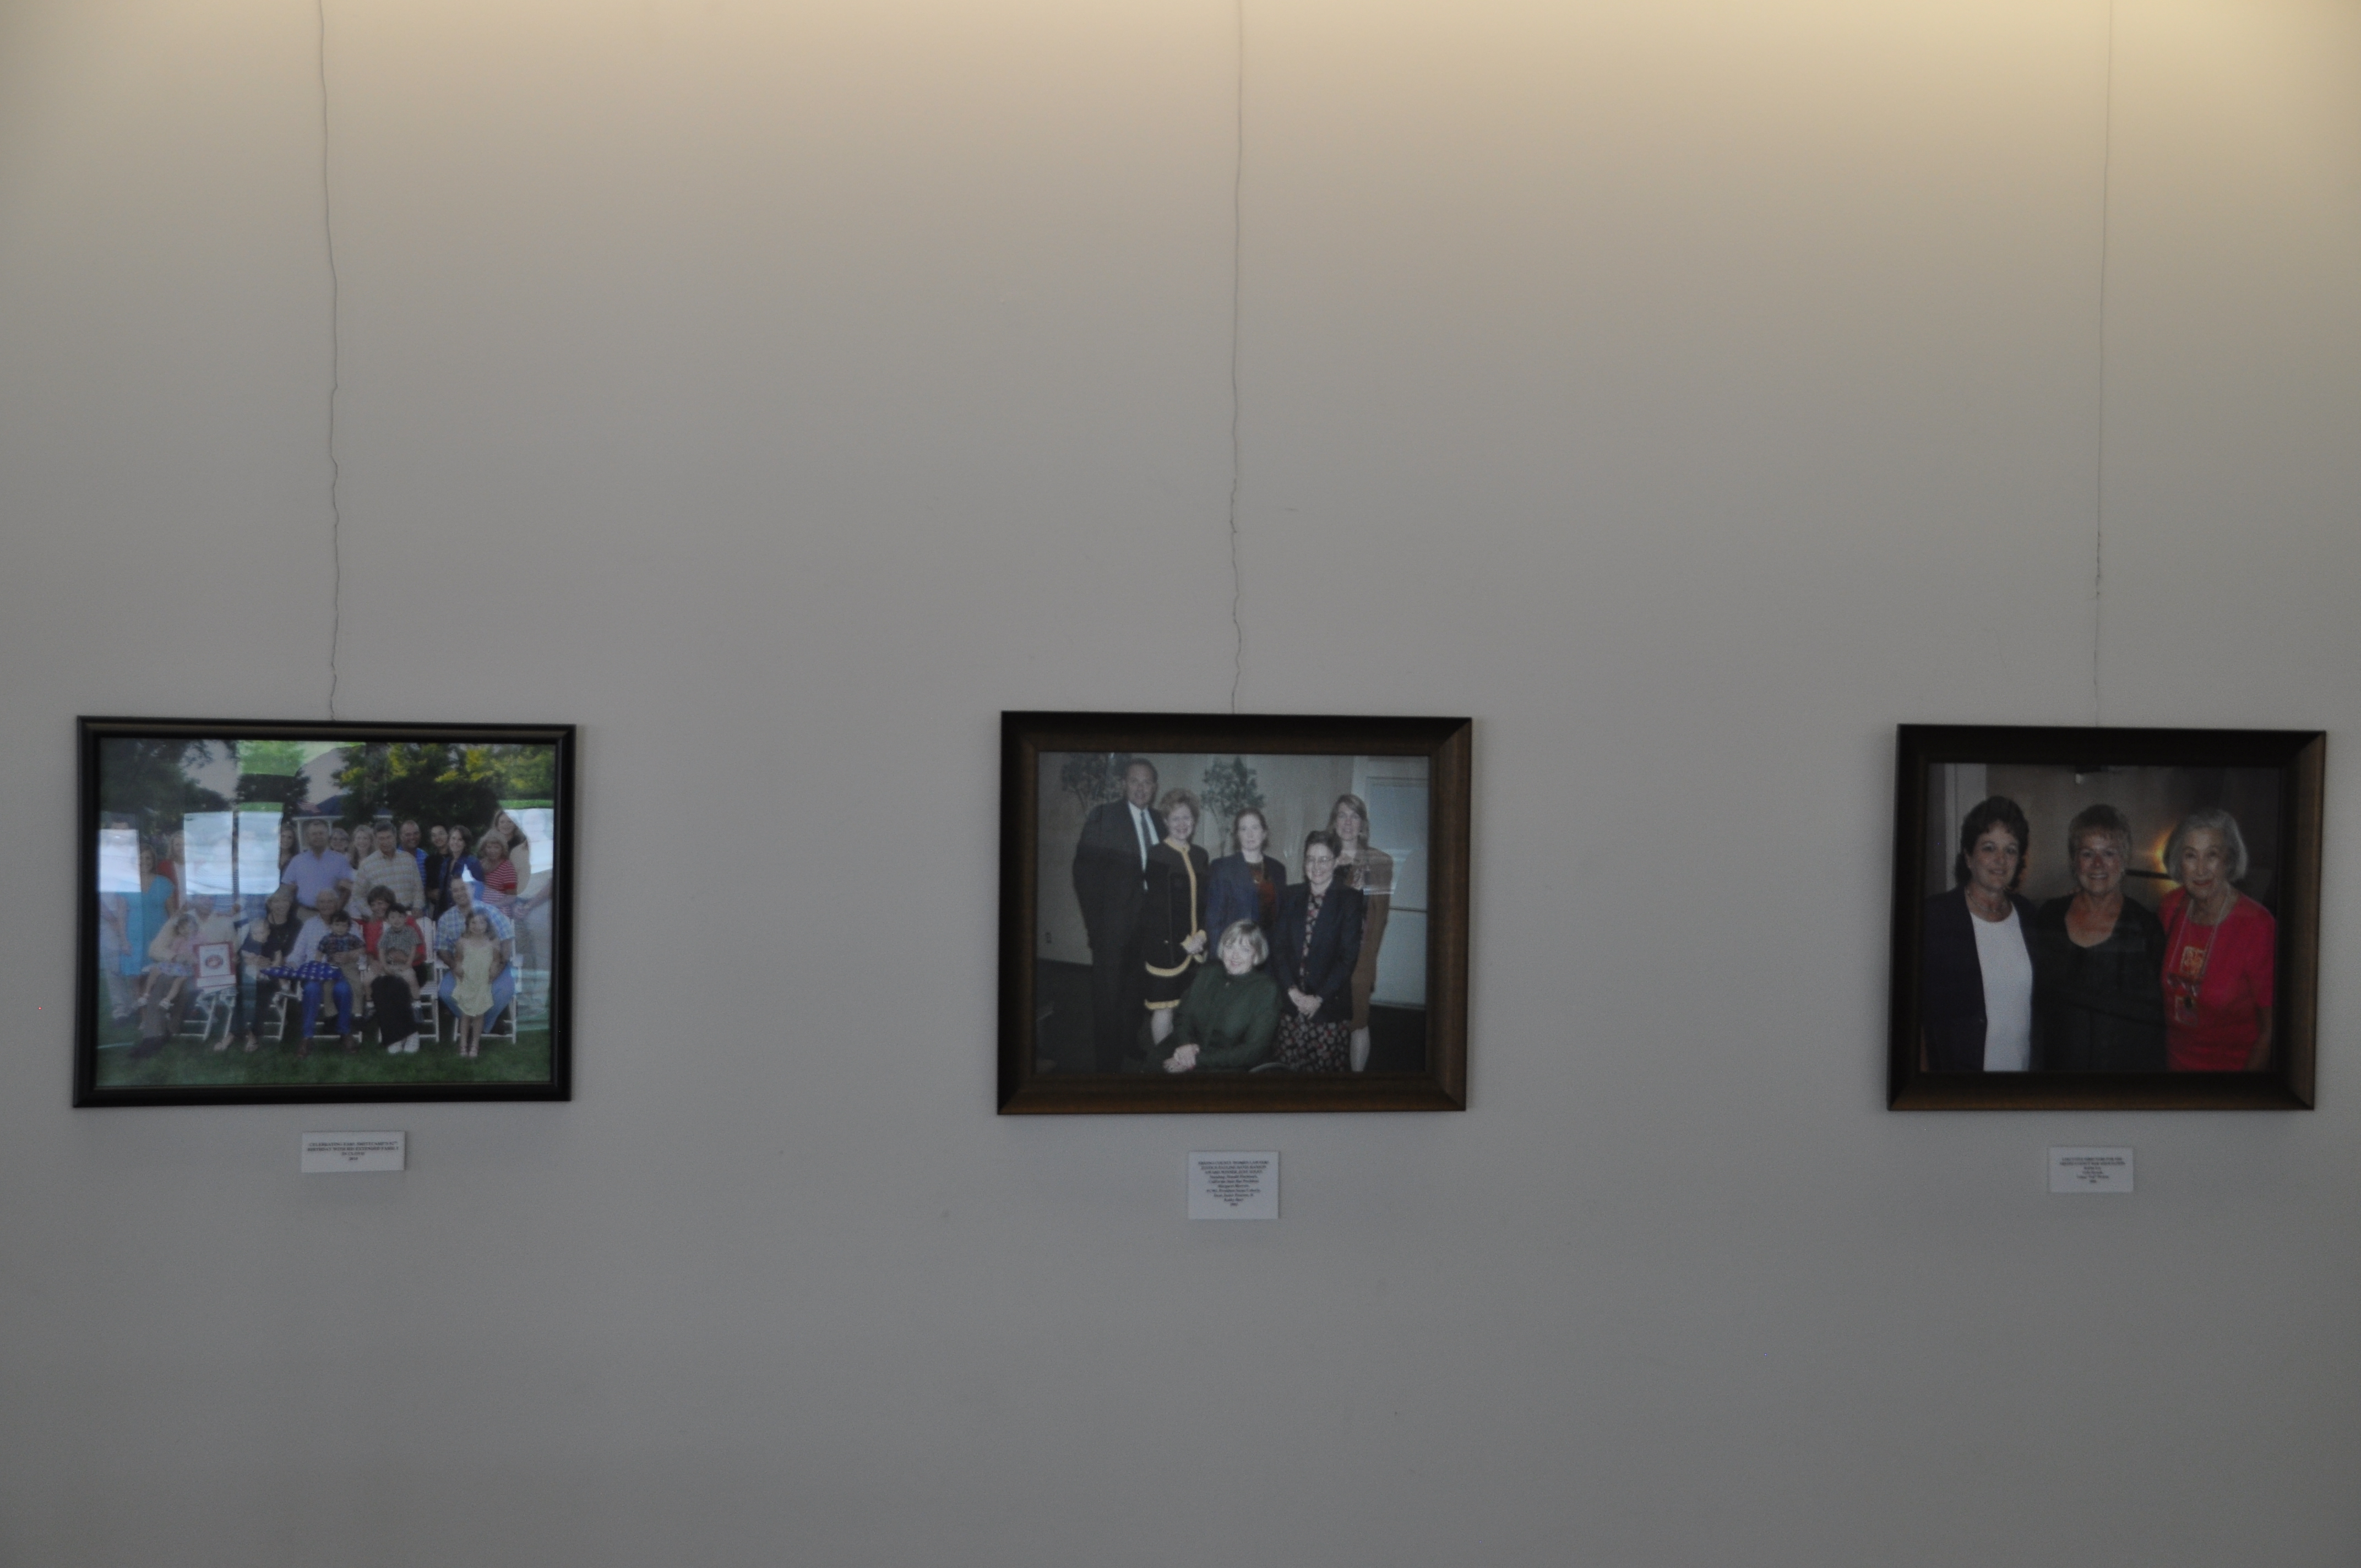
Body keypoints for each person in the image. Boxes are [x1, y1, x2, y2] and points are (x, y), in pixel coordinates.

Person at [2027, 805, 2167, 1071]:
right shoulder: (2048, 919)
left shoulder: (2145, 928)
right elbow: (2037, 1007)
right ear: (2074, 861)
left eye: (2109, 853)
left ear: (2124, 860)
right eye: (2087, 853)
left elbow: (2155, 1026)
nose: (2098, 864)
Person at [1920, 797, 2039, 1072]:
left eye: (2010, 850)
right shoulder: (1934, 917)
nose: (2000, 860)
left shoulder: (2030, 915)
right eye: (1989, 848)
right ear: (1969, 857)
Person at [2159, 808, 2276, 1072]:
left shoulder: (2258, 925)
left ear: (2229, 860)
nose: (2201, 869)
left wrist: (2240, 1093)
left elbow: (2271, 1031)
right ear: (2179, 861)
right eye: (2191, 856)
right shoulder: (2170, 907)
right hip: (2171, 1071)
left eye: (2212, 855)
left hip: (2229, 1077)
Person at [1071, 758, 1163, 1072]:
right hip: (1113, 928)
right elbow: (1083, 875)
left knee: (1136, 992)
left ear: (1155, 788)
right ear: (1124, 784)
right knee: (1108, 997)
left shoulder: (1160, 821)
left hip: (1148, 929)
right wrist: (1096, 927)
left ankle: (1129, 1043)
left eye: (1147, 782)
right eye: (1135, 781)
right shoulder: (1103, 817)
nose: (1141, 788)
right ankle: (1107, 1064)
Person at [1271, 830, 1367, 1072]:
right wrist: (1292, 991)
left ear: (1336, 862)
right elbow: (1278, 949)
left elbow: (1348, 958)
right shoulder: (1290, 896)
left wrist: (1318, 998)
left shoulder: (1350, 900)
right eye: (1311, 859)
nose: (1316, 866)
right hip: (1292, 1006)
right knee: (1286, 1074)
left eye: (1324, 859)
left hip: (1328, 1006)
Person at [1157, 921, 1282, 1073]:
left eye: (1245, 949)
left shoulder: (1266, 990)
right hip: (1188, 1048)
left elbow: (1252, 1051)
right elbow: (1183, 1015)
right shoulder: (1207, 972)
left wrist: (1196, 1061)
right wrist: (1185, 1045)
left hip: (1228, 1064)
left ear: (1256, 954)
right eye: (1230, 947)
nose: (1235, 956)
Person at [1141, 788, 1213, 1050]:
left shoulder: (1201, 855)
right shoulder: (1157, 855)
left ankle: (1184, 1059)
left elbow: (1206, 902)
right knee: (1165, 1010)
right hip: (1167, 950)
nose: (1182, 824)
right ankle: (1162, 1062)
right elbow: (1157, 910)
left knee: (1188, 1011)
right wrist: (1183, 942)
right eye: (1175, 819)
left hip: (1197, 949)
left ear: (1194, 821)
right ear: (1165, 822)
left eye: (1187, 818)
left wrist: (1202, 935)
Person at [1330, 794, 1394, 1072]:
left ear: (1363, 824)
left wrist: (1368, 962)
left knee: (1359, 1021)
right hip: (1326, 953)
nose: (1348, 822)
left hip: (1359, 955)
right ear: (1334, 822)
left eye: (1354, 816)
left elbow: (1380, 918)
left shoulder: (1378, 863)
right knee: (1326, 1019)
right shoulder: (1322, 857)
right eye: (1342, 815)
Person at [436, 879, 517, 1038]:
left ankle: (480, 1025)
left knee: (504, 991)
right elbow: (442, 949)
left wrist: (499, 967)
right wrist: (454, 966)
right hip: (464, 968)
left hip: (493, 965)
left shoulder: (490, 911)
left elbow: (507, 940)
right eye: (455, 890)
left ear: (473, 889)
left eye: (464, 889)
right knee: (446, 992)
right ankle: (481, 1023)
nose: (460, 893)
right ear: (452, 894)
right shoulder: (446, 918)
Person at [227, 886, 302, 1053]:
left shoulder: (296, 925)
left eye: (285, 901)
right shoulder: (258, 923)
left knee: (260, 991)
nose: (281, 904)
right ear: (270, 904)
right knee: (244, 990)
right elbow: (245, 949)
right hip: (254, 969)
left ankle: (249, 1035)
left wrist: (272, 963)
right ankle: (236, 1033)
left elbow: (298, 953)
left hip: (280, 972)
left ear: (291, 904)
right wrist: (250, 960)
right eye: (277, 901)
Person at [1204, 806, 1285, 954]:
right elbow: (1214, 921)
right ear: (1237, 835)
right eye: (1244, 829)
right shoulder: (1222, 868)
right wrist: (1220, 957)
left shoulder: (1278, 869)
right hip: (1235, 952)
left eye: (1255, 828)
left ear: (1264, 832)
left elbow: (1280, 919)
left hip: (1268, 952)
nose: (1250, 834)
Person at [450, 911, 505, 1058]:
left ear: (487, 925)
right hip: (467, 980)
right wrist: (458, 967)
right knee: (465, 1014)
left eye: (482, 922)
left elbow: (496, 960)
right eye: (473, 923)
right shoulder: (462, 942)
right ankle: (463, 1045)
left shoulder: (493, 942)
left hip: (482, 981)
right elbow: (458, 959)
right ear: (468, 925)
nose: (477, 926)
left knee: (479, 1014)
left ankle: (475, 1044)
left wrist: (494, 968)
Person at [278, 819, 353, 918]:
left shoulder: (341, 860)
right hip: (304, 914)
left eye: (321, 833)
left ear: (328, 836)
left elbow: (349, 888)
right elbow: (286, 889)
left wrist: (338, 909)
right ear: (307, 837)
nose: (318, 837)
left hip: (333, 915)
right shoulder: (297, 861)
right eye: (314, 834)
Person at [353, 823, 425, 919]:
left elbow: (418, 889)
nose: (386, 842)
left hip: (407, 916)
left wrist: (417, 907)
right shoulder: (367, 865)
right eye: (381, 839)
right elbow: (358, 895)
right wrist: (371, 914)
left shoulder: (409, 860)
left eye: (389, 837)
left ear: (395, 837)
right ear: (375, 840)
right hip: (381, 918)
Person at [474, 832, 521, 913]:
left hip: (499, 909)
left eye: (497, 847)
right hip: (479, 907)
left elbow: (511, 897)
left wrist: (491, 906)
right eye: (489, 847)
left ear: (502, 849)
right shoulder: (480, 864)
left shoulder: (507, 867)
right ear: (484, 848)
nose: (492, 851)